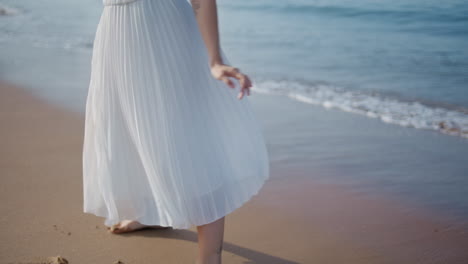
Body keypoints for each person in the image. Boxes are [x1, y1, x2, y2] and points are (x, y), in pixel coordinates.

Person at [82, 0, 270, 263]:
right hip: (117, 35)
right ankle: (149, 212)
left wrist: (214, 59)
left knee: (188, 137)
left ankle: (209, 257)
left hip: (165, 31)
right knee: (131, 127)